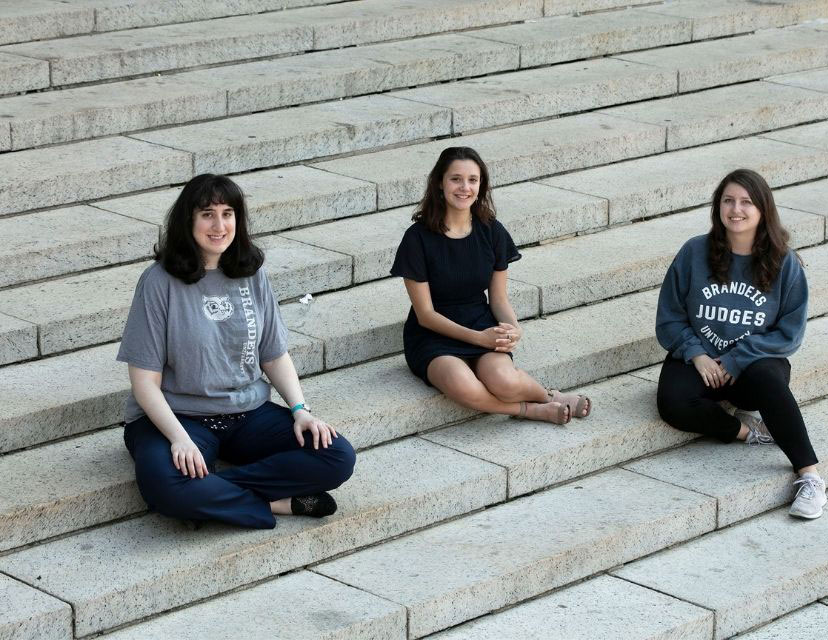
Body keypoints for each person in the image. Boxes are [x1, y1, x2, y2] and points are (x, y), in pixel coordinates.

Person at [118, 174, 355, 529]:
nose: (219, 225)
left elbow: (273, 356)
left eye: (228, 213)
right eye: (207, 214)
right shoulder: (158, 282)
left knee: (337, 455)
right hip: (177, 416)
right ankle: (279, 503)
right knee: (163, 487)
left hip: (246, 414)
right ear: (188, 221)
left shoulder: (251, 274)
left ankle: (211, 493)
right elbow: (145, 383)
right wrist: (180, 440)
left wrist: (301, 411)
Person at [654, 168, 825, 519]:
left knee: (768, 381)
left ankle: (809, 476)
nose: (736, 209)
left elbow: (789, 333)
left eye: (747, 202)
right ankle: (748, 431)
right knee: (671, 403)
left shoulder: (785, 263)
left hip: (752, 367)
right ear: (718, 207)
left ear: (763, 210)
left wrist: (736, 359)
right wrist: (696, 352)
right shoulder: (693, 252)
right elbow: (669, 317)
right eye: (729, 200)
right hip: (701, 362)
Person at [390, 146, 591, 424]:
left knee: (505, 382)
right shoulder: (417, 239)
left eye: (473, 180)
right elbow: (426, 315)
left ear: (481, 185)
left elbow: (498, 299)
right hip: (434, 337)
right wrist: (479, 338)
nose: (464, 187)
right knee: (465, 387)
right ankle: (534, 407)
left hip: (480, 322)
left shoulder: (491, 230)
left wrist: (513, 328)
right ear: (440, 183)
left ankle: (548, 395)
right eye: (455, 179)